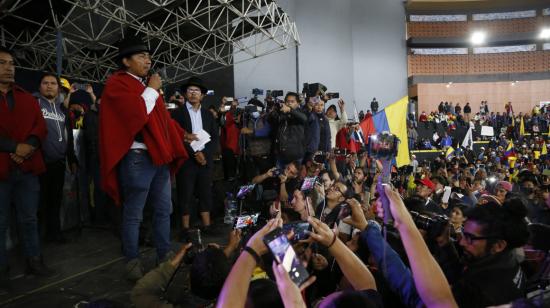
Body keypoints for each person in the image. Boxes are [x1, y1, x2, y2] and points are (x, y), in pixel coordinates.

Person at [99, 36, 189, 281]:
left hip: (158, 157)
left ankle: (165, 256)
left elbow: (162, 121)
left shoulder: (144, 86)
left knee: (163, 209)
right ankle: (132, 261)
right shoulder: (117, 84)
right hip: (137, 156)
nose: (147, 60)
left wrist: (183, 135)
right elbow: (136, 116)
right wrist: (152, 89)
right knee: (134, 213)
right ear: (125, 61)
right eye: (141, 56)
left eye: (148, 56)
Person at [0, 47, 56, 291]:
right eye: (2, 63)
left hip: (28, 169)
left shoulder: (26, 97)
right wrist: (15, 147)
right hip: (1, 170)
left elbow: (40, 127)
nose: (9, 67)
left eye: (11, 63)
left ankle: (34, 261)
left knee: (29, 219)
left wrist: (29, 146)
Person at [172, 76, 219, 240]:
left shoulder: (208, 115)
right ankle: (185, 229)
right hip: (186, 160)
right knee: (185, 194)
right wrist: (194, 154)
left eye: (196, 91)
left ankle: (207, 226)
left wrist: (204, 156)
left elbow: (214, 138)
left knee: (205, 193)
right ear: (185, 94)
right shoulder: (177, 114)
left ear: (202, 95)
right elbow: (176, 137)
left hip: (205, 161)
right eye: (190, 90)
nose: (193, 93)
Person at [35, 73, 78, 243]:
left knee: (55, 201)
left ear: (58, 89)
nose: (49, 86)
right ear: (40, 86)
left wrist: (72, 158)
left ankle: (54, 233)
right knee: (39, 203)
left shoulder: (63, 110)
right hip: (38, 162)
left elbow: (69, 138)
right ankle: (36, 238)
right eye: (45, 83)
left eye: (53, 83)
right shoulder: (35, 103)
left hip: (58, 163)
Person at [269, 92, 307, 168]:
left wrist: (290, 110)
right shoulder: (282, 113)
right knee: (280, 177)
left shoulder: (301, 112)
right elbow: (271, 121)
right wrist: (271, 107)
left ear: (297, 103)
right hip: (281, 154)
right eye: (287, 101)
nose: (289, 103)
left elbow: (304, 118)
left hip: (295, 155)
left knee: (295, 178)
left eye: (292, 101)